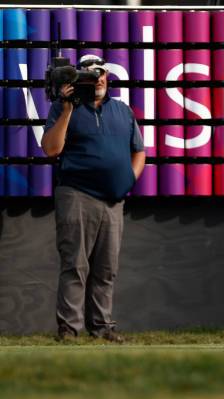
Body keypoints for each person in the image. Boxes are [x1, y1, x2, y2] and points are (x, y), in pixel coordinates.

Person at [42, 54, 146, 342]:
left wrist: (129, 178)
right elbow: (51, 149)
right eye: (89, 75)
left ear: (107, 77)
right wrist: (66, 110)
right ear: (79, 80)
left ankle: (101, 327)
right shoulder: (65, 107)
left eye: (101, 74)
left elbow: (139, 150)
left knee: (106, 268)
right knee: (75, 265)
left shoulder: (123, 111)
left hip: (113, 200)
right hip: (76, 194)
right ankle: (69, 330)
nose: (97, 79)